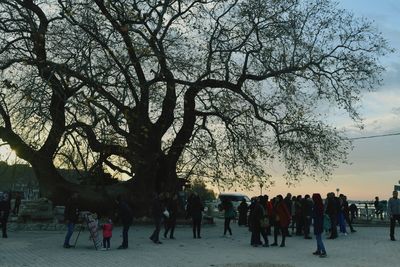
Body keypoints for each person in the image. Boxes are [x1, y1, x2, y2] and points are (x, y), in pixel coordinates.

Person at [312, 193, 327, 258]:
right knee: (318, 237)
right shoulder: (320, 205)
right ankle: (318, 250)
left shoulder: (316, 205)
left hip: (317, 222)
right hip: (319, 222)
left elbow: (315, 214)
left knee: (318, 238)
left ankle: (323, 251)